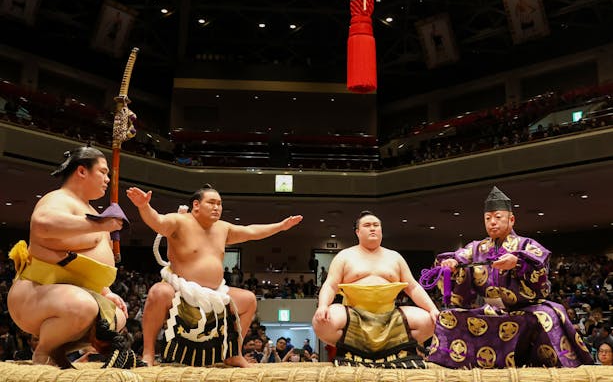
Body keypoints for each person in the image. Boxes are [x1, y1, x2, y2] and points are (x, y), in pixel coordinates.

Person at [126, 184, 302, 367]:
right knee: (157, 291)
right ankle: (148, 352)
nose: (217, 207)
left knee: (249, 300)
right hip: (180, 291)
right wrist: (144, 206)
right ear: (196, 205)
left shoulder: (223, 228)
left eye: (219, 203)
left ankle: (234, 353)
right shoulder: (179, 221)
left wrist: (281, 226)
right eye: (211, 203)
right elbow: (158, 222)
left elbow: (251, 232)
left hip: (215, 293)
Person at [428, 186, 593, 368]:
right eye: (488, 218)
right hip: (490, 309)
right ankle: (448, 368)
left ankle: (561, 371)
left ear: (511, 220)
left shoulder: (525, 245)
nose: (492, 222)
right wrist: (451, 265)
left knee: (548, 317)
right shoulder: (476, 248)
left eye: (498, 217)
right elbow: (458, 257)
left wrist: (517, 262)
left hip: (527, 308)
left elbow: (539, 264)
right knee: (448, 316)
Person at [6, 146, 139, 369]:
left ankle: (58, 351)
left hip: (70, 292)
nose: (107, 179)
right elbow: (43, 224)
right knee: (82, 306)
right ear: (81, 171)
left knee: (117, 315)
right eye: (103, 172)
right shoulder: (59, 199)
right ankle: (44, 352)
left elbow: (85, 267)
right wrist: (99, 224)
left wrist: (106, 291)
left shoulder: (91, 210)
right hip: (36, 291)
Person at [312, 211, 439, 368]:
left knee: (428, 321)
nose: (372, 228)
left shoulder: (395, 257)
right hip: (354, 316)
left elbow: (412, 287)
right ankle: (357, 349)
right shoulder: (344, 256)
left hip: (390, 317)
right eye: (367, 225)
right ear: (357, 232)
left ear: (381, 230)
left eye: (376, 225)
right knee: (323, 323)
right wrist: (323, 305)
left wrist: (432, 309)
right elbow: (331, 285)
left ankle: (390, 349)